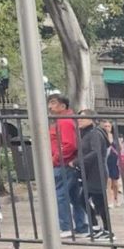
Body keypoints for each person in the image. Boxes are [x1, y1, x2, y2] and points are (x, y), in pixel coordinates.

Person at [48, 94, 88, 238]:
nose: (49, 107)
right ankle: (81, 227)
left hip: (62, 164)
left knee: (61, 196)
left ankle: (66, 227)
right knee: (74, 196)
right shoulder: (65, 120)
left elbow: (69, 144)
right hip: (65, 163)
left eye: (53, 103)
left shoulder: (64, 122)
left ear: (63, 106)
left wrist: (54, 159)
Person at [77, 110, 111, 237]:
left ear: (91, 119)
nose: (79, 120)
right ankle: (96, 227)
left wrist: (77, 162)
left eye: (82, 118)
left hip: (97, 173)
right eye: (79, 118)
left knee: (99, 202)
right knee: (83, 199)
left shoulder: (95, 133)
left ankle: (108, 230)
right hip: (91, 173)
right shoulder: (87, 133)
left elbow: (95, 152)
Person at [102, 121, 122, 207]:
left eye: (108, 126)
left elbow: (120, 149)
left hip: (114, 161)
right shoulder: (102, 136)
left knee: (115, 183)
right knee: (108, 182)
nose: (107, 128)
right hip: (106, 161)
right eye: (105, 126)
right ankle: (110, 201)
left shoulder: (115, 137)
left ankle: (116, 198)